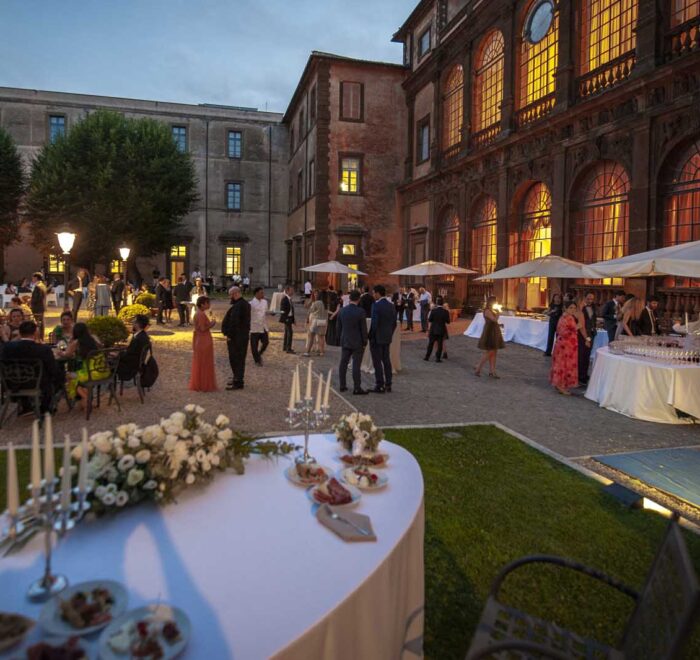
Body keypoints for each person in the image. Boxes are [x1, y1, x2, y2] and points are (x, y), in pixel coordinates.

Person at [1, 320, 65, 413]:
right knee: (56, 375)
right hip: (37, 383)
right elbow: (52, 369)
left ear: (20, 332)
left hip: (12, 383)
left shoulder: (7, 348)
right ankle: (45, 407)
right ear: (35, 332)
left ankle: (26, 405)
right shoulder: (43, 349)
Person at [60, 322, 108, 402]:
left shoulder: (77, 342)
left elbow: (67, 354)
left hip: (89, 374)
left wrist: (60, 351)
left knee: (69, 376)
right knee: (76, 378)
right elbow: (102, 348)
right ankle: (84, 398)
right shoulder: (93, 339)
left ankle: (84, 398)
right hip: (102, 371)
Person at [337, 289, 368, 395]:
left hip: (345, 340)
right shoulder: (360, 312)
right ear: (358, 299)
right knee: (356, 365)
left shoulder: (342, 311)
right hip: (357, 341)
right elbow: (363, 329)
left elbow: (338, 327)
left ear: (349, 299)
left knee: (343, 363)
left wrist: (340, 338)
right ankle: (356, 387)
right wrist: (365, 341)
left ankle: (342, 385)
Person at [221, 286, 251, 390]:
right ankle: (236, 378)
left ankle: (238, 381)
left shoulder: (239, 306)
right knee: (238, 359)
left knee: (236, 359)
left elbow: (235, 322)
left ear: (235, 294)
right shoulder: (244, 304)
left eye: (231, 295)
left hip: (237, 338)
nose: (230, 298)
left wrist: (229, 335)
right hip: (241, 336)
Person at [369, 284, 396, 393]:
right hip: (387, 336)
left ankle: (379, 384)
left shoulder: (376, 305)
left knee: (377, 361)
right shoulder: (391, 305)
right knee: (386, 360)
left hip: (377, 338)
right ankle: (388, 384)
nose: (373, 295)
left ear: (378, 293)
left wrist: (371, 335)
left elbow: (374, 323)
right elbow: (394, 323)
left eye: (374, 293)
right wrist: (390, 333)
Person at [550, 300, 580, 396]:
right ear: (566, 308)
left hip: (570, 346)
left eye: (574, 308)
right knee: (563, 365)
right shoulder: (565, 318)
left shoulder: (570, 317)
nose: (572, 310)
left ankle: (561, 385)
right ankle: (560, 385)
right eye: (570, 308)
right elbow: (562, 332)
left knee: (566, 365)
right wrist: (576, 328)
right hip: (564, 345)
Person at [189, 296, 217, 392]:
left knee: (200, 362)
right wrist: (212, 323)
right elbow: (202, 329)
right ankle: (204, 384)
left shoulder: (198, 313)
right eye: (207, 303)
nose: (209, 305)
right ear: (202, 304)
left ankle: (200, 383)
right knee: (204, 362)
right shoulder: (201, 314)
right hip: (203, 339)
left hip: (200, 339)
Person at [475, 296, 504, 378]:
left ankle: (492, 371)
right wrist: (498, 313)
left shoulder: (491, 310)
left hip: (494, 331)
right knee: (490, 352)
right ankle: (478, 368)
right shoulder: (487, 310)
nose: (496, 303)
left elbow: (494, 322)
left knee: (494, 352)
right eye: (495, 301)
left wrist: (499, 324)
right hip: (490, 332)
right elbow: (494, 320)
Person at [117, 314, 151, 382]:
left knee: (110, 362)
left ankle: (109, 381)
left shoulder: (137, 338)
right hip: (137, 363)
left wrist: (117, 354)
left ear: (137, 324)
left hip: (130, 367)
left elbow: (128, 355)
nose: (132, 322)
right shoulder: (143, 335)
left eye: (134, 321)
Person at [578, 291, 597, 385]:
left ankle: (584, 374)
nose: (590, 301)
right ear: (584, 298)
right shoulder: (580, 307)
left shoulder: (593, 307)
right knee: (582, 355)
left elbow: (593, 319)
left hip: (592, 333)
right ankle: (580, 376)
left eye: (592, 299)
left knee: (587, 355)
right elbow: (579, 321)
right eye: (588, 298)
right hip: (582, 334)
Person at [424, 296, 451, 362]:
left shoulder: (433, 311)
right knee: (440, 344)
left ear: (437, 302)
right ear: (442, 303)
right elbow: (448, 321)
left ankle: (427, 357)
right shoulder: (446, 312)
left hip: (433, 329)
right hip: (441, 329)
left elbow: (430, 320)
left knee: (430, 344)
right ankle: (438, 358)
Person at [249, 286, 270, 366]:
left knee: (266, 342)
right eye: (261, 293)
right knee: (254, 345)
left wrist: (271, 313)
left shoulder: (265, 302)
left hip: (263, 326)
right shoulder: (251, 304)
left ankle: (259, 354)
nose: (263, 294)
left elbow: (266, 312)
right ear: (256, 293)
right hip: (254, 326)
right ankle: (257, 360)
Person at [304, 290, 327, 357]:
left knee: (311, 337)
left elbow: (310, 310)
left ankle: (307, 352)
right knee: (321, 337)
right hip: (322, 321)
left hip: (315, 321)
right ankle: (321, 352)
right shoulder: (324, 303)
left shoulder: (316, 303)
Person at [543, 292, 563, 357]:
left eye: (559, 298)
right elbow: (546, 313)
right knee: (550, 337)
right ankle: (548, 352)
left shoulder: (562, 305)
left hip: (559, 323)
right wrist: (551, 311)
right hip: (552, 322)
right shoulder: (551, 305)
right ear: (553, 298)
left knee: (559, 338)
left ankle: (558, 352)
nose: (557, 299)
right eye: (556, 298)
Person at [30, 272, 47, 340]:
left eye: (33, 278)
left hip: (37, 307)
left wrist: (30, 301)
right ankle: (41, 337)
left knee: (38, 323)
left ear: (36, 278)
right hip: (41, 306)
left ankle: (39, 337)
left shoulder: (38, 286)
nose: (32, 279)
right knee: (41, 322)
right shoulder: (43, 285)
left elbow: (37, 298)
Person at [280, 285, 295, 354]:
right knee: (290, 333)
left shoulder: (289, 299)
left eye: (293, 290)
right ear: (287, 291)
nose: (292, 292)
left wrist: (293, 319)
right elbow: (282, 310)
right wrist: (285, 318)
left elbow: (291, 310)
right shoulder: (285, 299)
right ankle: (288, 348)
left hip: (290, 318)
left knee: (287, 333)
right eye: (291, 290)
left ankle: (285, 346)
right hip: (287, 319)